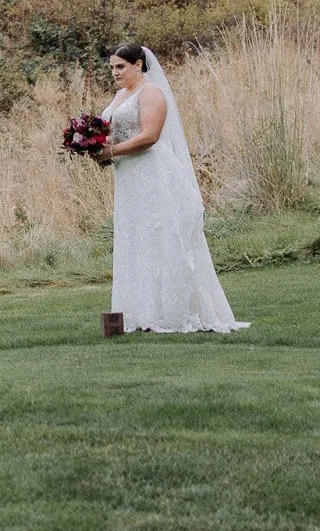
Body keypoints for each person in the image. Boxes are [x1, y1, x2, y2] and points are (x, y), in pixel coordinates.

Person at [95, 43, 247, 333]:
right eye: (112, 67)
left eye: (121, 66)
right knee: (136, 238)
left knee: (159, 237)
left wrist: (111, 151)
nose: (115, 72)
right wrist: (91, 143)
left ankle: (171, 313)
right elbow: (115, 132)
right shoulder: (119, 96)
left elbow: (149, 136)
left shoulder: (151, 92)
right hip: (129, 177)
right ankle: (140, 313)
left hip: (152, 174)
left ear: (139, 64)